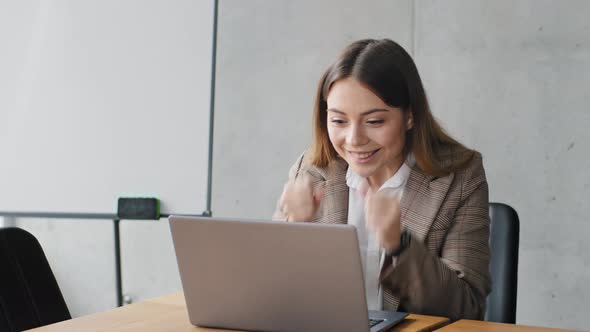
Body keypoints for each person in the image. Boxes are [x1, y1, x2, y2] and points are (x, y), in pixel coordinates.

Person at [273, 39, 491, 321]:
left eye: (375, 121)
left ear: (410, 116)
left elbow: (467, 308)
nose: (354, 140)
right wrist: (291, 228)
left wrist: (398, 244)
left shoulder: (460, 176)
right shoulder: (314, 170)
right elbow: (276, 298)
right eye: (339, 121)